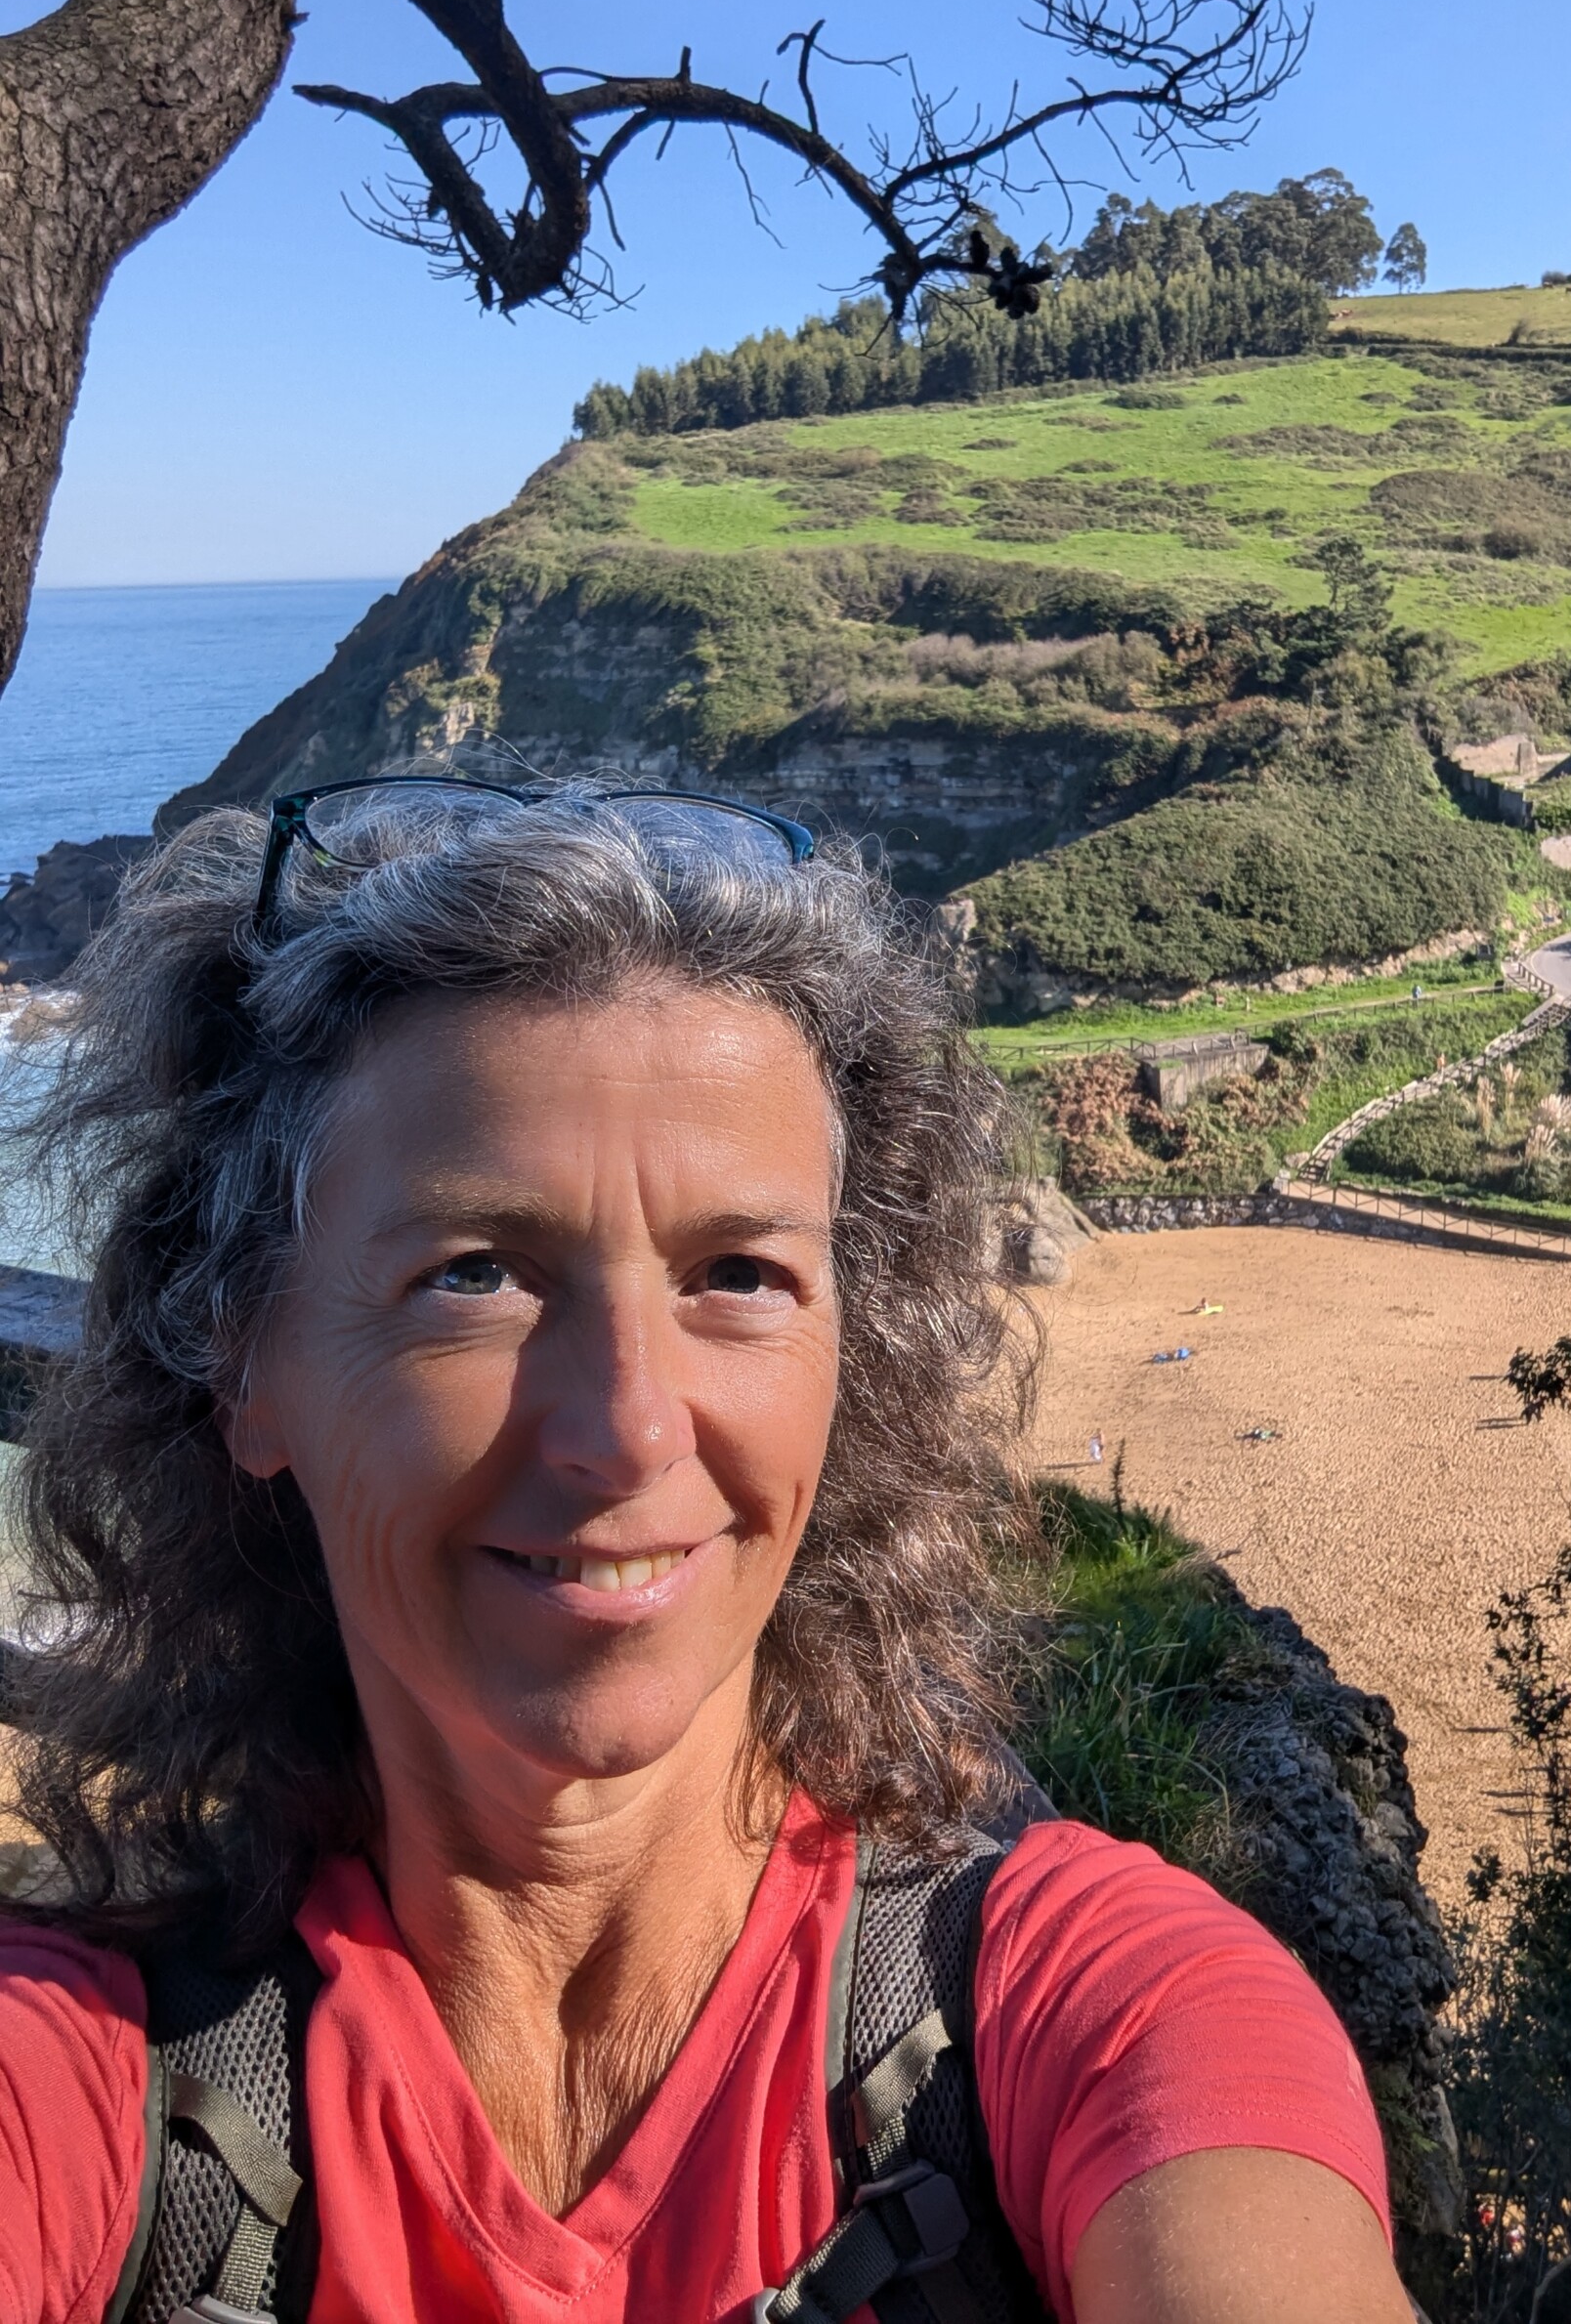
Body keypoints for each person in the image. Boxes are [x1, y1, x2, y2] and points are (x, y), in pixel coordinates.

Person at [0, 779, 1414, 2324]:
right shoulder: (83, 2086)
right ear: (244, 1361)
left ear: (849, 1354)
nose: (628, 1430)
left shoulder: (1084, 2011)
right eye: (475, 1274)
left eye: (738, 1274)